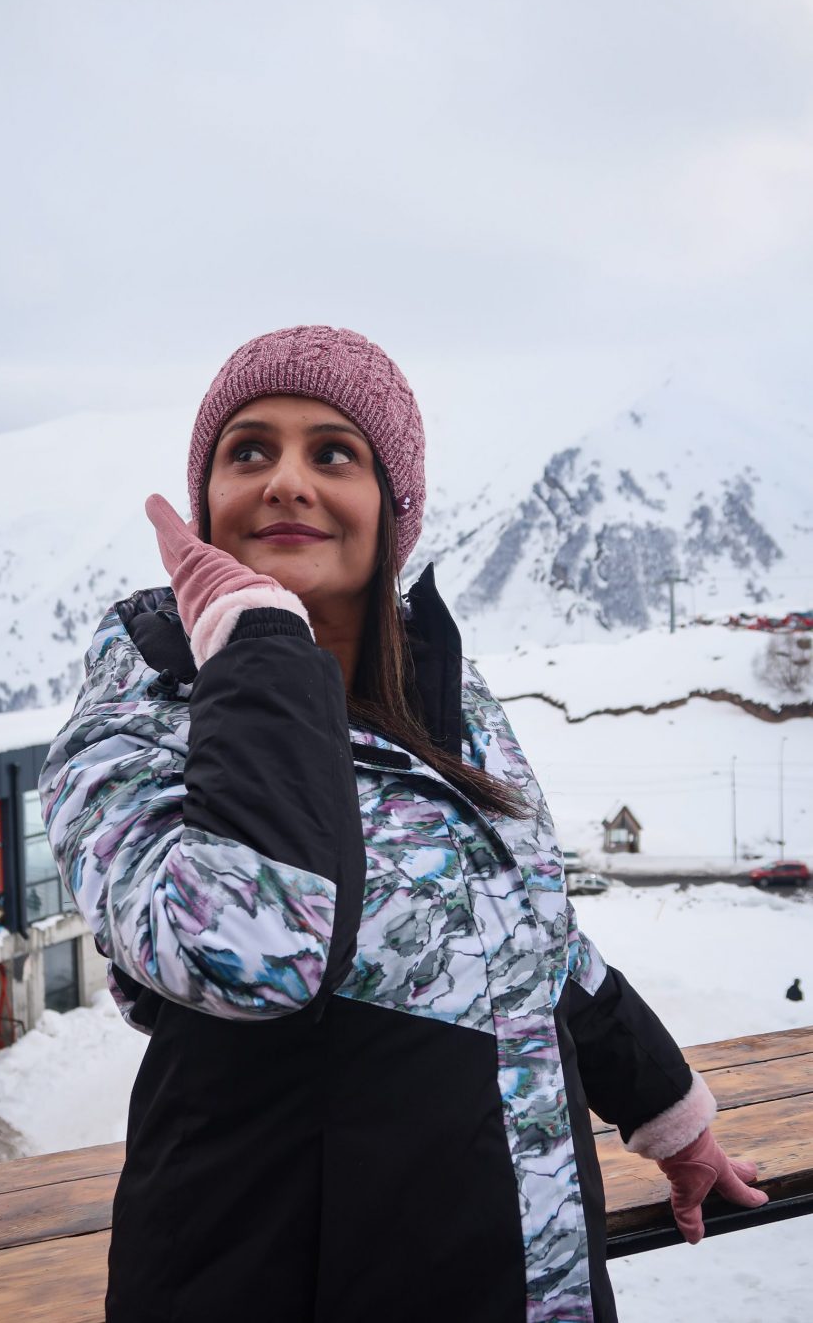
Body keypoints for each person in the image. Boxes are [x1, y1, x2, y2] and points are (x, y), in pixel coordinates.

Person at [39, 326, 768, 1323]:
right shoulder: (135, 727)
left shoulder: (449, 698)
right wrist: (259, 643)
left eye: (333, 454)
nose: (287, 481)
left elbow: (536, 940)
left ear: (394, 508)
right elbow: (252, 952)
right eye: (248, 451)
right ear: (205, 503)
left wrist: (674, 1124)